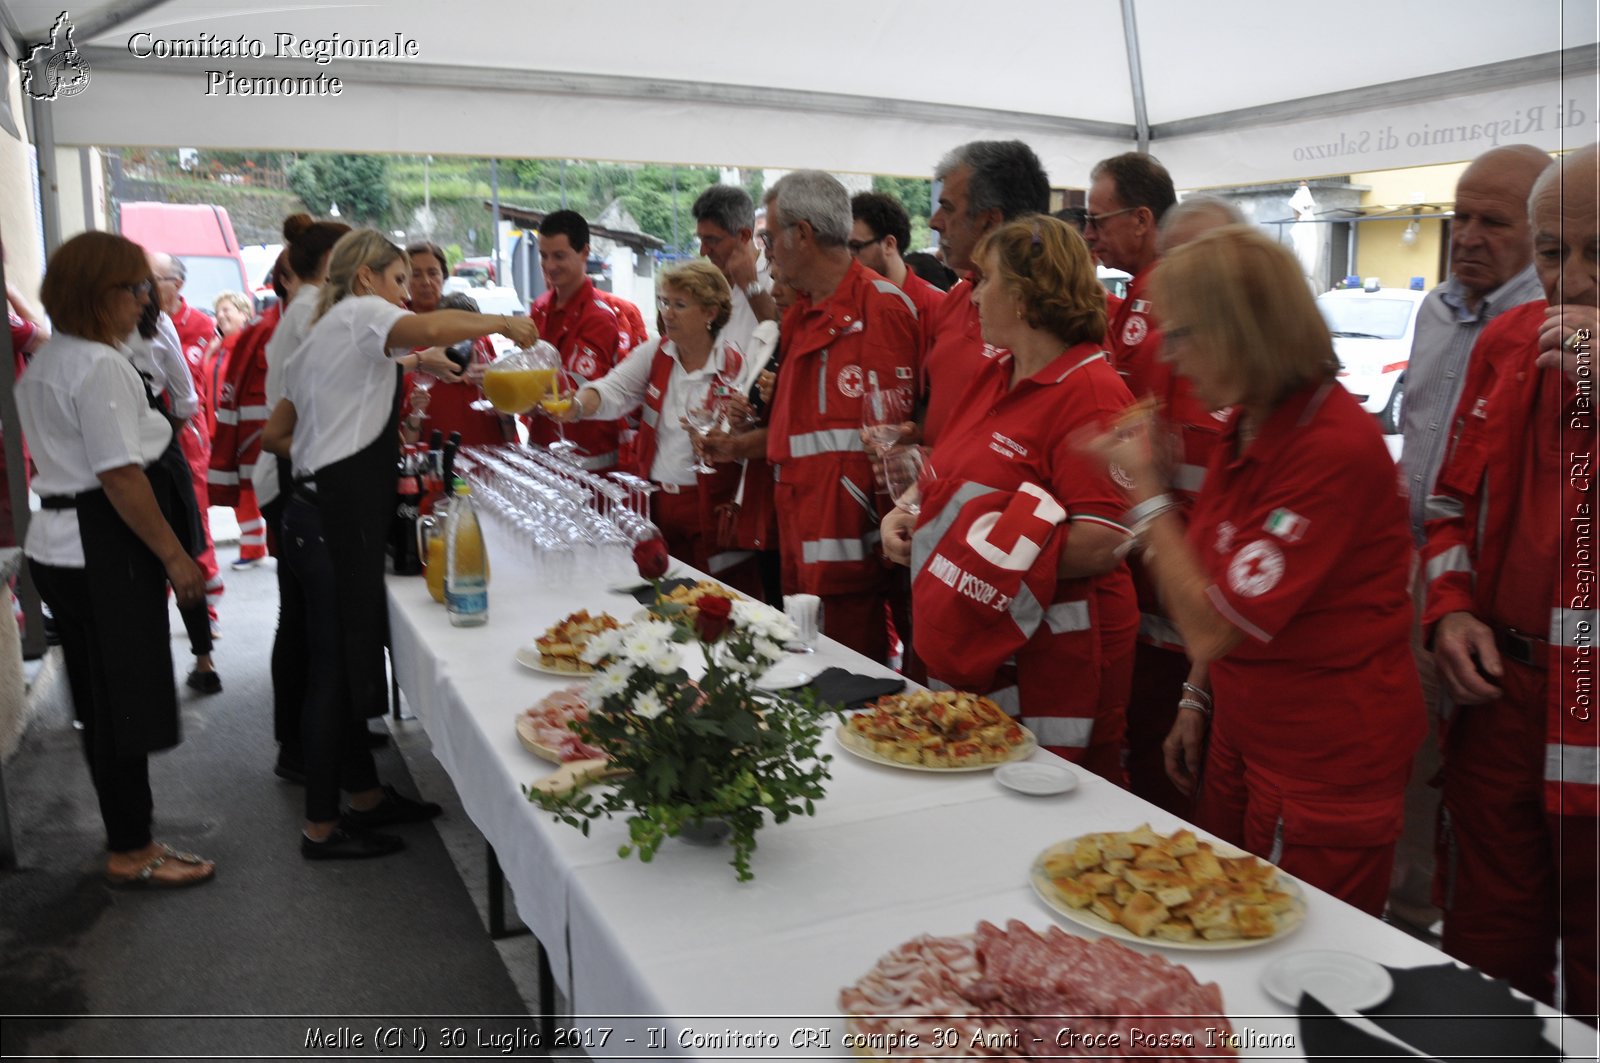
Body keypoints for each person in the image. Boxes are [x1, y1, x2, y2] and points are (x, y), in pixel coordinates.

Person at [1088, 225, 1424, 916]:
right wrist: (1196, 697)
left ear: (1242, 330)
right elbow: (1226, 585)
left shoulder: (1331, 447)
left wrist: (1146, 493)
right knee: (1224, 922)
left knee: (1299, 961)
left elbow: (1212, 624)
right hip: (1249, 734)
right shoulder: (1255, 423)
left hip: (1320, 763)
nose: (1170, 358)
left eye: (1182, 335)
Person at [261, 229, 540, 859]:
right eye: (397, 281)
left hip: (310, 512)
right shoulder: (364, 314)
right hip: (336, 516)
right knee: (335, 672)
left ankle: (361, 794)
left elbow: (277, 435)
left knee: (339, 660)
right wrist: (506, 320)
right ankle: (321, 828)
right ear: (366, 279)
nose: (405, 294)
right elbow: (424, 329)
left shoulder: (319, 337)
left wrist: (336, 436)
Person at [1420, 143, 1598, 1020]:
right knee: (1486, 959)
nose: (1572, 279)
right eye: (1557, 251)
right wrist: (1449, 615)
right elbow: (1449, 505)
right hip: (1500, 711)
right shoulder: (1506, 342)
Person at [881, 217, 1135, 773]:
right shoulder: (997, 373)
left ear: (1023, 297)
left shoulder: (1091, 392)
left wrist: (961, 552)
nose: (971, 296)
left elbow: (1103, 541)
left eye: (985, 280)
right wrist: (905, 513)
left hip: (1048, 662)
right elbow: (945, 475)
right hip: (979, 644)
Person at [16, 232, 215, 888]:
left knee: (104, 703)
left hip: (63, 546)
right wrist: (176, 557)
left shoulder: (53, 357)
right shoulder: (97, 366)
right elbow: (120, 476)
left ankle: (130, 837)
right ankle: (134, 846)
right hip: (101, 546)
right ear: (94, 294)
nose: (144, 300)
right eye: (132, 289)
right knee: (124, 701)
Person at [1391, 144, 1552, 934]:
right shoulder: (1435, 310)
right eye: (1460, 216)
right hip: (1419, 576)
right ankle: (1412, 917)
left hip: (1503, 605)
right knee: (1411, 764)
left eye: (1494, 221)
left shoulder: (1554, 330)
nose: (1468, 236)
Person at [1084, 152, 1223, 817]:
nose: (1091, 235)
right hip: (1159, 596)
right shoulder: (1139, 299)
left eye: (1098, 219)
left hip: (1181, 607)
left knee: (1172, 792)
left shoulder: (1162, 302)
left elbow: (1170, 460)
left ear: (1143, 219)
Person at [762, 171, 920, 662]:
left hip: (850, 556)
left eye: (769, 237)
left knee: (851, 689)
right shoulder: (800, 314)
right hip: (799, 535)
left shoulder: (880, 307)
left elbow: (891, 443)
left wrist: (875, 549)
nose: (767, 250)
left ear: (802, 235)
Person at [552, 260, 756, 585]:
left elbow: (751, 441)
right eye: (663, 302)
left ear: (710, 313)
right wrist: (576, 405)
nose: (667, 313)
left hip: (712, 507)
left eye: (679, 304)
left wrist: (739, 427)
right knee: (663, 592)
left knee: (714, 596)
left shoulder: (738, 366)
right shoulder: (656, 352)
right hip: (657, 501)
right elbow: (614, 389)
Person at [921, 140, 1050, 448]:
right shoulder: (955, 299)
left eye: (948, 208)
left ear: (991, 221)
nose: (935, 221)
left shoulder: (1053, 313)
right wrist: (921, 439)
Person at [127, 296, 220, 695]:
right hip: (163, 448)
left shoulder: (85, 329)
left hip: (124, 450)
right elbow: (185, 399)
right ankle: (204, 661)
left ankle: (153, 675)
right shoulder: (158, 322)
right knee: (181, 555)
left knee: (137, 563)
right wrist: (164, 434)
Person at [148, 252, 223, 632]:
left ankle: (204, 615)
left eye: (152, 278)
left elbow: (196, 392)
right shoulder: (138, 322)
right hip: (153, 442)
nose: (143, 285)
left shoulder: (201, 326)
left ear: (176, 284)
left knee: (193, 527)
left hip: (185, 441)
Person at [524, 210, 625, 471]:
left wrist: (525, 387)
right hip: (542, 454)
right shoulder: (540, 307)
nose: (549, 266)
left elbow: (578, 385)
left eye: (559, 256)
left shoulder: (599, 317)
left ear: (584, 253)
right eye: (543, 256)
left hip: (588, 463)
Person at [399, 242, 513, 447]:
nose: (425, 281)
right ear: (404, 279)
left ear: (443, 276)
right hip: (429, 454)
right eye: (416, 274)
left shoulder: (471, 325)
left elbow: (500, 398)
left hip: (483, 453)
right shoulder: (398, 332)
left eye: (433, 273)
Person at [850, 191, 945, 349]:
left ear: (889, 244)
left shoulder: (938, 307)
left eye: (855, 247)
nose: (849, 258)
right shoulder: (849, 303)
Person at [692, 184, 778, 354]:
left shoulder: (778, 278)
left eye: (712, 240)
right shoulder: (703, 283)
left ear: (744, 236)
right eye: (701, 240)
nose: (703, 251)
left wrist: (751, 287)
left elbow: (785, 339)